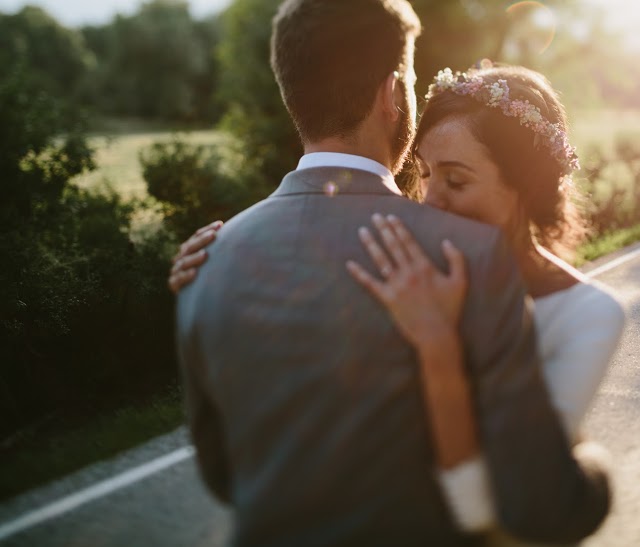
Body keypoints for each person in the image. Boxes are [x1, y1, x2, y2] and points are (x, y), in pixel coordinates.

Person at [173, 0, 611, 545]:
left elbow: (222, 473)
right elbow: (533, 505)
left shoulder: (204, 262)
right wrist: (593, 474)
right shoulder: (469, 256)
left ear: (293, 94)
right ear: (391, 91)